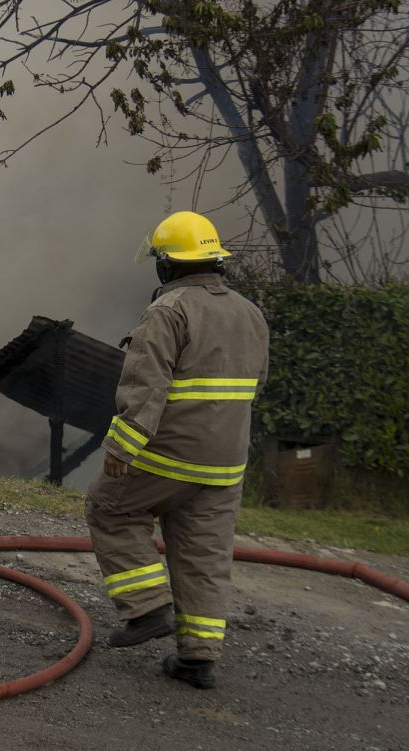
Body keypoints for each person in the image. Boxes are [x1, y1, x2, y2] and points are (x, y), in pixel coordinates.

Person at [85, 210, 269, 689]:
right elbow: (257, 384)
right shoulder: (250, 313)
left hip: (170, 454)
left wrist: (122, 445)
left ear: (166, 264)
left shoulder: (169, 311)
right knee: (204, 554)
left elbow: (146, 385)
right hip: (226, 463)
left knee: (109, 506)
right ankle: (199, 658)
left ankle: (146, 609)